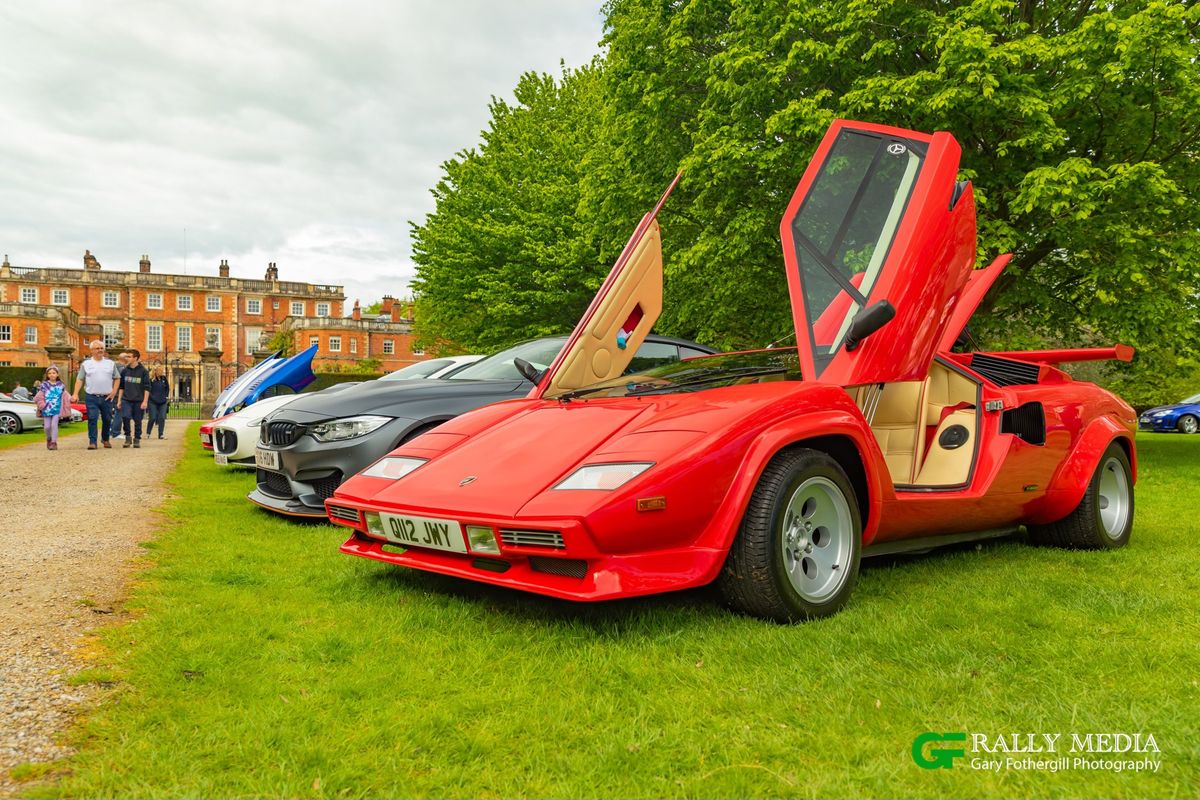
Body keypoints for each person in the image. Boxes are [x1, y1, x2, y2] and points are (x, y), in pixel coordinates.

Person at [73, 340, 120, 449]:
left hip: (107, 397)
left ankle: (105, 438)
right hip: (91, 396)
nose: (100, 350)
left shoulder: (110, 363)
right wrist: (75, 394)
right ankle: (92, 442)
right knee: (92, 418)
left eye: (101, 348)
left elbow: (117, 378)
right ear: (92, 351)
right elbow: (80, 379)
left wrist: (114, 392)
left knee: (107, 419)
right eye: (97, 348)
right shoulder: (86, 364)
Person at [117, 349, 150, 447]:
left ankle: (137, 439)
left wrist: (145, 401)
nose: (126, 358)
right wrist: (119, 400)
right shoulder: (124, 371)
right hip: (126, 399)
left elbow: (147, 387)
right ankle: (128, 438)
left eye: (129, 356)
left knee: (137, 420)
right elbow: (121, 387)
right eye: (126, 356)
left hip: (139, 400)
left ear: (135, 358)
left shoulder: (143, 371)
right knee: (125, 417)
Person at [33, 365, 71, 450]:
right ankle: (49, 439)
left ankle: (54, 442)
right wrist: (42, 405)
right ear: (47, 375)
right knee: (47, 426)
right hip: (46, 409)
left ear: (57, 374)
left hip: (57, 409)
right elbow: (38, 397)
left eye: (54, 373)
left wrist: (71, 399)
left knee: (54, 425)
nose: (52, 375)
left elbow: (65, 395)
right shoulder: (44, 385)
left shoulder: (61, 385)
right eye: (49, 373)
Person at [146, 366, 169, 439]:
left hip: (163, 401)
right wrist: (152, 397)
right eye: (160, 370)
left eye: (162, 371)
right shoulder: (151, 380)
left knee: (162, 417)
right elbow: (148, 390)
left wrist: (166, 396)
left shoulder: (164, 379)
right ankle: (148, 432)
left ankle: (161, 434)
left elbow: (167, 388)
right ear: (155, 371)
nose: (161, 372)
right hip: (153, 401)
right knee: (152, 418)